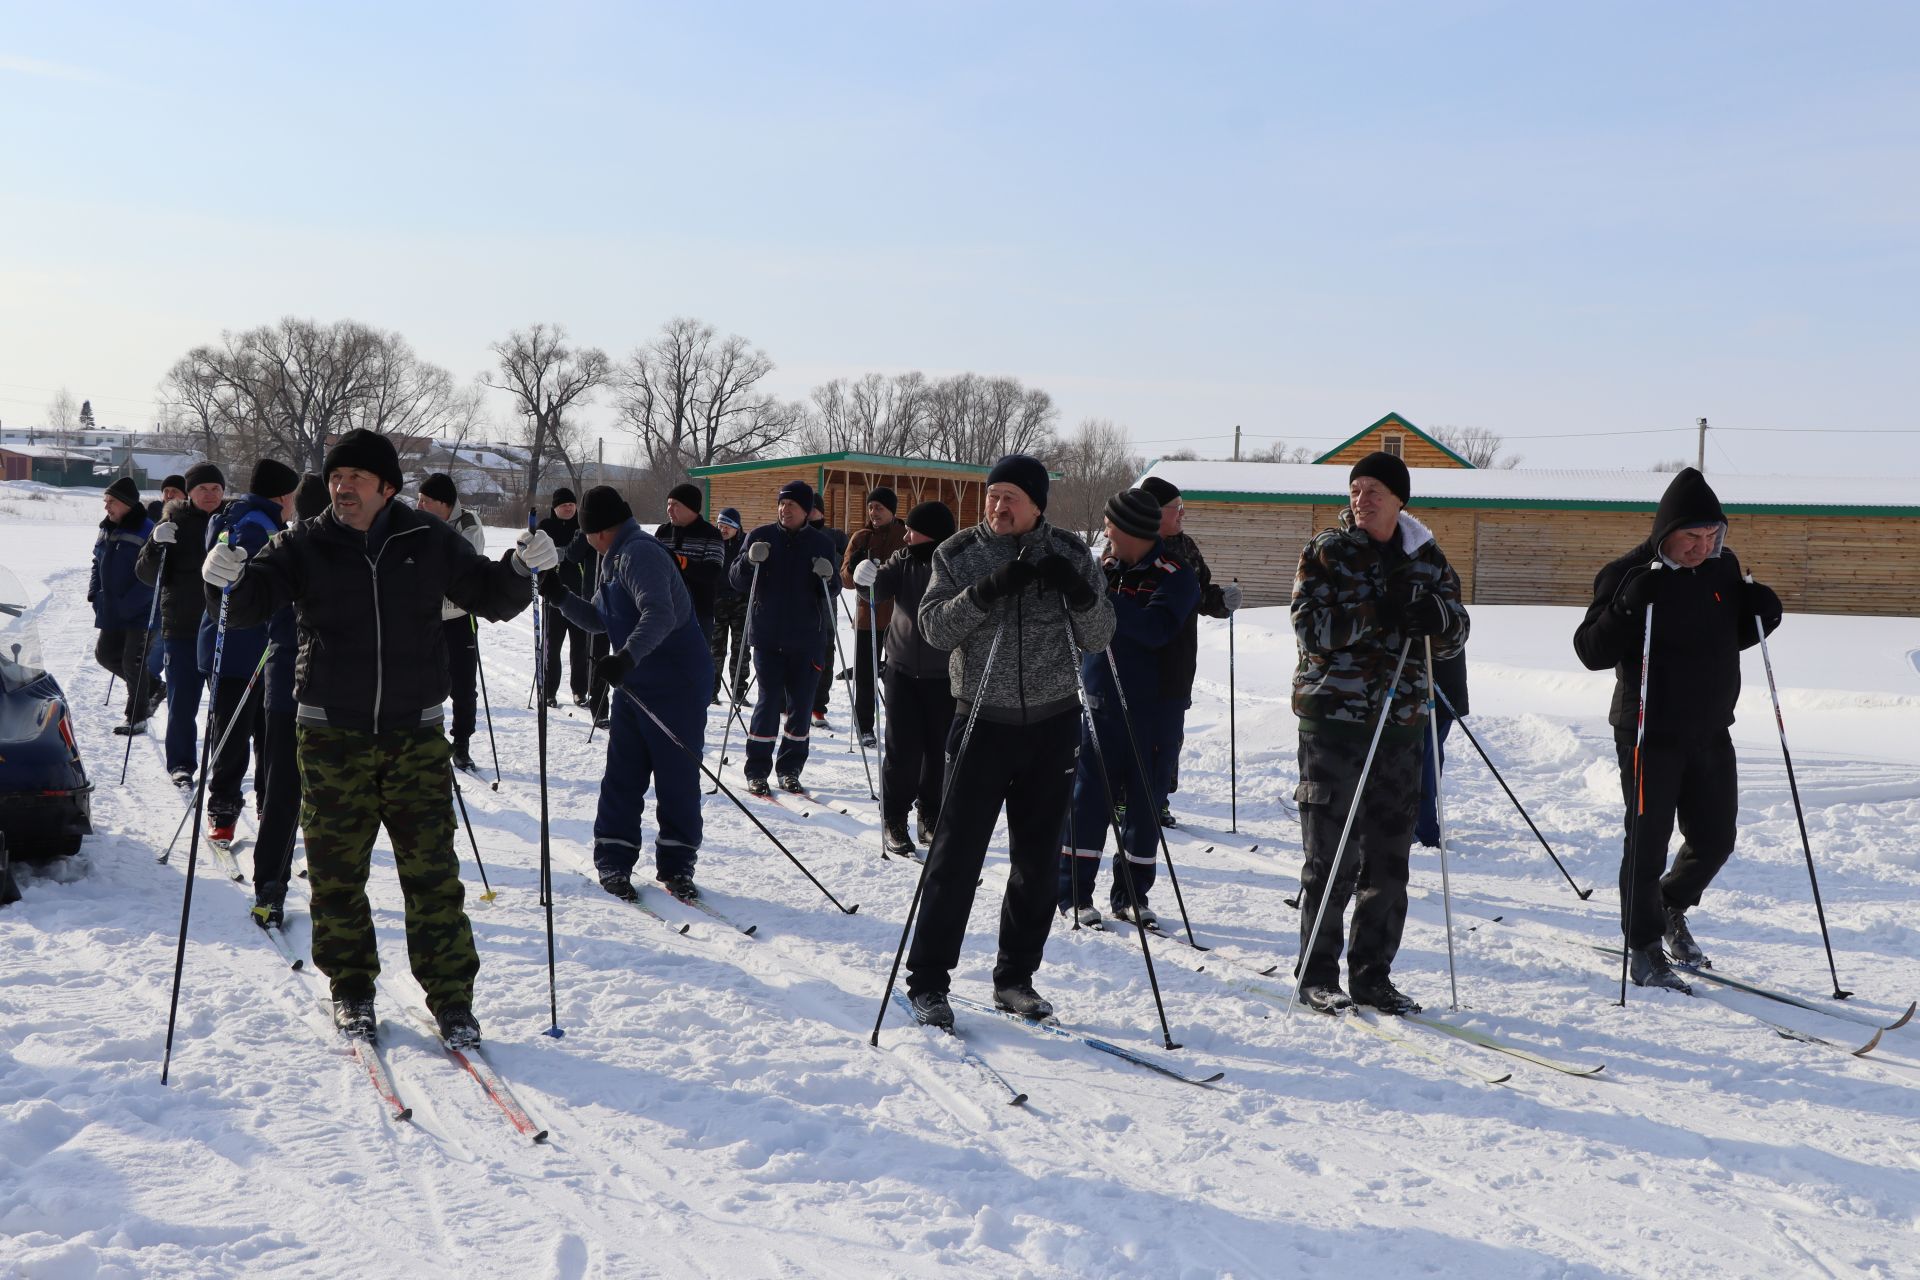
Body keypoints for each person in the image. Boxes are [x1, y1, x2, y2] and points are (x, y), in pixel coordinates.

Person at [202, 428, 549, 1047]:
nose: (342, 487)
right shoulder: (304, 543)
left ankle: (451, 1000)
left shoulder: (428, 538)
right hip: (330, 734)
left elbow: (490, 597)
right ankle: (353, 990)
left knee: (433, 873)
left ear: (388, 487)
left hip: (413, 734)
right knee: (337, 873)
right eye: (336, 478)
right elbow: (250, 602)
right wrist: (222, 580)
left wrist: (522, 568)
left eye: (356, 478)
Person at [902, 455, 1115, 1030]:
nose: (998, 505)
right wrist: (988, 590)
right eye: (992, 494)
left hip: (1052, 724)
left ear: (1037, 504)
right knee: (956, 857)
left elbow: (1099, 636)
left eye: (1011, 497)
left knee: (1037, 862)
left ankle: (1015, 978)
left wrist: (1076, 591)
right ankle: (928, 981)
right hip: (980, 720)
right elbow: (934, 629)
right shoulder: (957, 553)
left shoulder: (1071, 553)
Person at [1573, 466, 1782, 992]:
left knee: (1716, 839)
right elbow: (1591, 652)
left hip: (1710, 730)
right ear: (1665, 531)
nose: (1703, 546)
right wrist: (1624, 607)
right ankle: (1642, 946)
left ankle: (1669, 906)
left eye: (1713, 535)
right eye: (1693, 536)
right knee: (1647, 843)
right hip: (1648, 733)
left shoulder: (1722, 569)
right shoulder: (1626, 573)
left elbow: (1726, 636)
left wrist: (1764, 615)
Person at [1291, 452, 1468, 1016]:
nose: (1361, 498)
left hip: (1400, 725)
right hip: (1335, 722)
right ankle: (1317, 974)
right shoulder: (1326, 551)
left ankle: (1373, 975)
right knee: (1332, 857)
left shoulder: (1428, 558)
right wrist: (1378, 610)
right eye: (1355, 489)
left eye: (1373, 490)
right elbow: (1310, 630)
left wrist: (1438, 620)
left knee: (1389, 861)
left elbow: (1457, 632)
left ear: (1399, 500)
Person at [542, 486, 714, 901]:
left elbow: (661, 612)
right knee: (623, 774)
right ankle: (614, 860)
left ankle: (676, 865)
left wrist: (625, 658)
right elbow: (600, 618)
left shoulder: (640, 553)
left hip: (675, 684)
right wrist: (560, 596)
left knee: (676, 777)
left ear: (599, 529)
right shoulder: (613, 557)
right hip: (635, 685)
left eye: (586, 532)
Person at [1057, 488, 1199, 926]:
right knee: (1088, 802)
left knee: (1144, 804)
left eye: (1110, 525)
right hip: (1100, 702)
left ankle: (1132, 895)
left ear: (1132, 530)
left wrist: (1102, 596)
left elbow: (1155, 628)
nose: (1104, 532)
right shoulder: (1104, 568)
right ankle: (1074, 895)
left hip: (1156, 708)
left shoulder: (1176, 574)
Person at [199, 460, 300, 846]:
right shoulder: (255, 526)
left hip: (254, 649)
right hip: (243, 649)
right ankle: (224, 811)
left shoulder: (242, 515)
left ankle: (265, 806)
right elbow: (252, 589)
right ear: (283, 496)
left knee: (264, 734)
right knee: (237, 734)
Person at [1137, 475, 1242, 827]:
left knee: (1169, 734)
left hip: (1178, 660)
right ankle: (1125, 796)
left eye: (1183, 506)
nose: (1183, 513)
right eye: (1176, 508)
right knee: (1135, 730)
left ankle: (1158, 798)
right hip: (1138, 658)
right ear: (1154, 512)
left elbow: (1201, 593)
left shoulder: (1186, 547)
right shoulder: (1130, 546)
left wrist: (1222, 601)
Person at [853, 500, 956, 858]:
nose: (906, 534)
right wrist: (867, 578)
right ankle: (894, 818)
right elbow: (877, 590)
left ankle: (930, 812)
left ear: (933, 532)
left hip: (945, 675)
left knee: (937, 750)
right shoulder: (903, 560)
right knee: (902, 751)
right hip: (901, 671)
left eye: (913, 529)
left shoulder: (956, 563)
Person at [727, 480, 841, 796]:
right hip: (767, 635)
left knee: (801, 706)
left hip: (807, 639)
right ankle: (757, 769)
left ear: (806, 510)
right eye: (781, 503)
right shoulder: (760, 536)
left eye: (792, 505)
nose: (784, 509)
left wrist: (828, 576)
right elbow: (736, 580)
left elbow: (832, 590)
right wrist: (749, 560)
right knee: (768, 700)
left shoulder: (821, 544)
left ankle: (790, 769)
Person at [251, 474, 327, 926]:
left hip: (336, 697)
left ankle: (310, 886)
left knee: (315, 795)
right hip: (289, 690)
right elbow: (259, 606)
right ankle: (271, 885)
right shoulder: (287, 548)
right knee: (283, 789)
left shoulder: (353, 553)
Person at [137, 462, 225, 787]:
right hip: (183, 629)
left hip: (222, 631)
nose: (211, 494)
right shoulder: (173, 522)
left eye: (216, 488)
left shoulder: (231, 521)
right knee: (182, 704)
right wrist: (155, 543)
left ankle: (222, 764)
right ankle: (182, 764)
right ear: (190, 492)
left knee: (224, 708)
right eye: (203, 488)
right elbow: (146, 575)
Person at [416, 473, 489, 771]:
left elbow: (465, 568)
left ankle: (461, 744)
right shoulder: (415, 522)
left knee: (462, 684)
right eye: (419, 499)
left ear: (445, 504)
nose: (419, 505)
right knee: (421, 680)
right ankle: (422, 740)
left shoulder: (468, 525)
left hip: (459, 616)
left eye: (426, 501)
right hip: (427, 616)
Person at [90, 477, 159, 733]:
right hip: (110, 607)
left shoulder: (147, 530)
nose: (107, 508)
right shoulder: (107, 528)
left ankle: (136, 717)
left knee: (133, 662)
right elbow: (96, 561)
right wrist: (93, 593)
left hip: (141, 611)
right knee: (105, 655)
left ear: (128, 504)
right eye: (106, 502)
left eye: (112, 502)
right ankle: (153, 687)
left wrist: (128, 604)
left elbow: (153, 577)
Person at [841, 486, 908, 748]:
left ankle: (898, 724)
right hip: (866, 617)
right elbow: (844, 579)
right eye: (870, 507)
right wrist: (854, 567)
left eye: (879, 507)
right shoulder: (861, 537)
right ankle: (864, 726)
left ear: (892, 510)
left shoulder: (904, 536)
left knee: (896, 676)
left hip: (898, 618)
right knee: (866, 675)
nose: (873, 512)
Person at [536, 487, 592, 708]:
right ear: (555, 508)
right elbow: (541, 556)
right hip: (554, 596)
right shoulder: (545, 527)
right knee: (552, 648)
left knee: (580, 648)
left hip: (580, 597)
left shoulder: (583, 526)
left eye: (571, 504)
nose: (568, 508)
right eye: (563, 505)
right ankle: (549, 690)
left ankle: (579, 691)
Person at [653, 482, 727, 641]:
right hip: (664, 611)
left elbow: (712, 572)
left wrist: (682, 563)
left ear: (691, 508)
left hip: (698, 613)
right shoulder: (662, 531)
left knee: (696, 663)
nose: (669, 509)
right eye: (668, 504)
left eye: (675, 505)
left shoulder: (711, 534)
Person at [1415, 648, 1468, 849]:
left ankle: (1424, 832)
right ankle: (1421, 827)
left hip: (1433, 690)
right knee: (1428, 758)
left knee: (1423, 761)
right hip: (1421, 690)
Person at [808, 494, 850, 729]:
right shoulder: (796, 535)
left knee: (825, 657)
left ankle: (818, 707)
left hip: (826, 608)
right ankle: (788, 703)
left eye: (815, 509)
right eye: (808, 509)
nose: (811, 512)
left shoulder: (835, 536)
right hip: (798, 608)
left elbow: (845, 565)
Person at [710, 507, 749, 705]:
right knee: (715, 650)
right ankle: (712, 691)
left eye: (727, 526)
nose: (722, 530)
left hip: (740, 602)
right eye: (720, 525)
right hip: (716, 602)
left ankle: (739, 691)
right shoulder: (713, 542)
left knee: (741, 649)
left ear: (736, 527)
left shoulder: (745, 544)